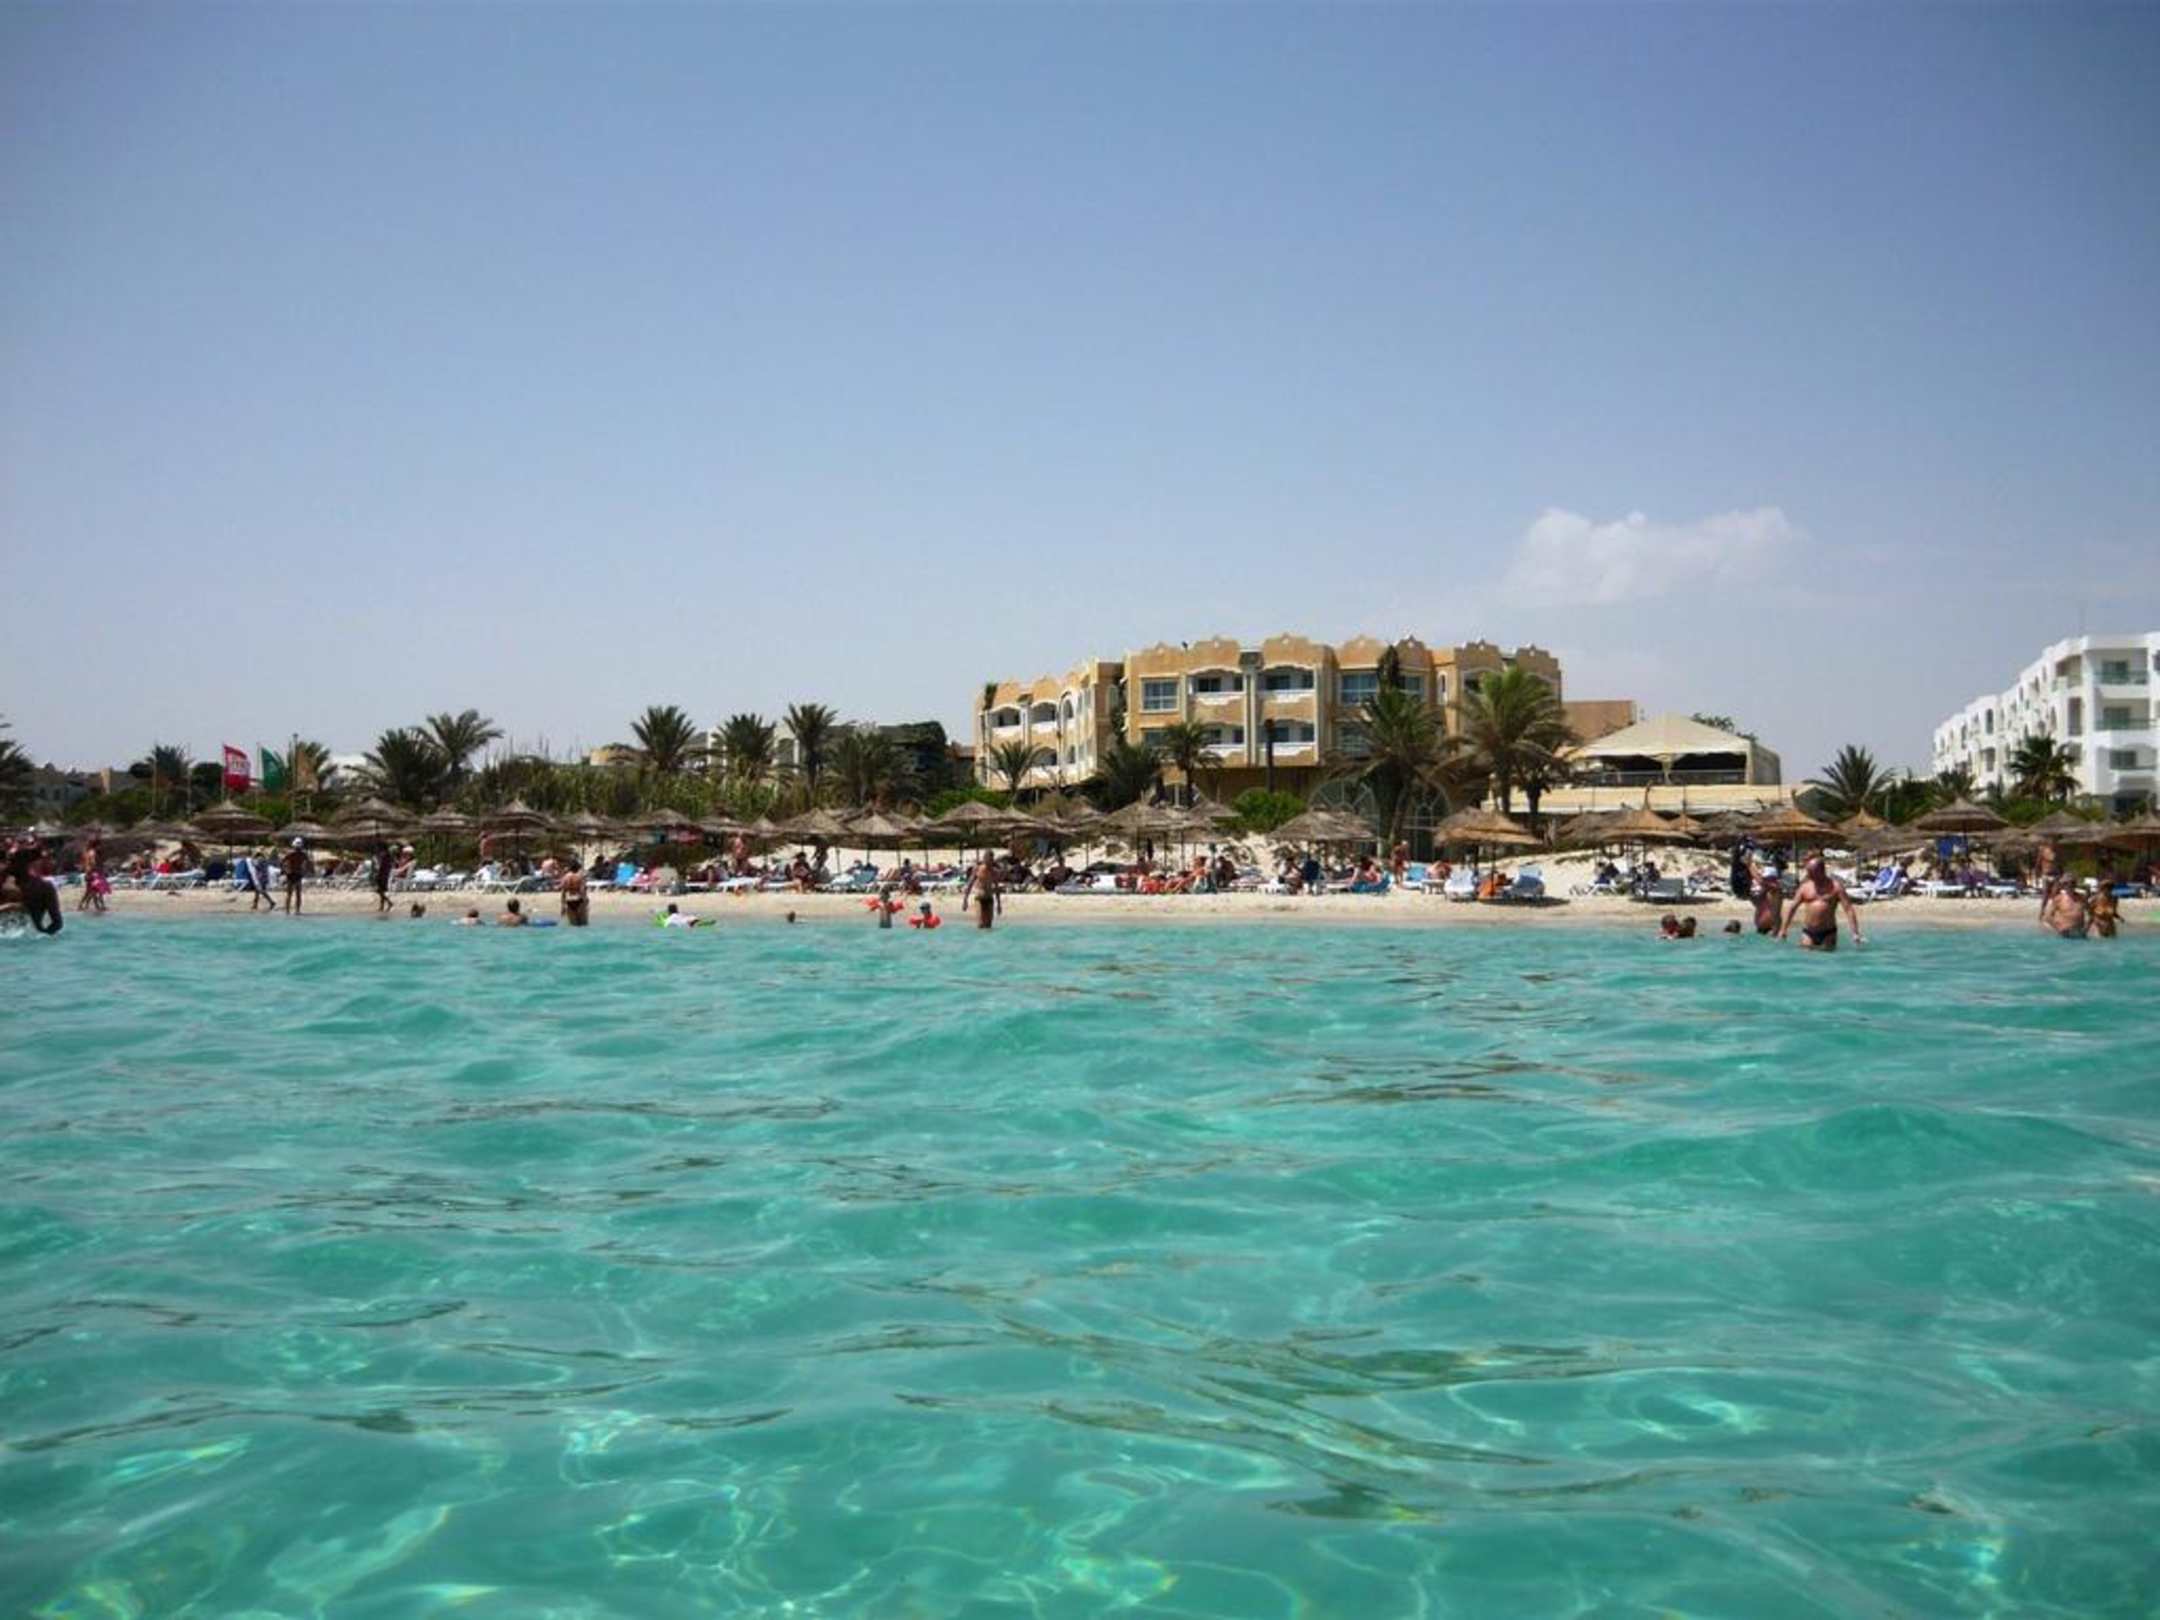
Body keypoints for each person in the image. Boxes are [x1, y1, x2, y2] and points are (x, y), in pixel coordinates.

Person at [1778, 857, 1864, 950]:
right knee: (1805, 955)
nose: (1808, 875)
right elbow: (1792, 908)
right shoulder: (1805, 887)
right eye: (1809, 872)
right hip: (1808, 932)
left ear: (1821, 871)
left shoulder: (1836, 887)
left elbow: (1848, 909)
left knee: (1826, 956)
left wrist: (1855, 933)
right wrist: (1783, 929)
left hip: (1828, 933)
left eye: (1811, 872)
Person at [2, 845, 63, 935]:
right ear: (33, 864)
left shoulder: (4, 885)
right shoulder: (45, 887)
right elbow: (57, 923)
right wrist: (45, 933)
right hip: (33, 935)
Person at [962, 848, 1000, 930]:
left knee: (989, 926)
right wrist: (965, 900)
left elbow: (997, 888)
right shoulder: (977, 869)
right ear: (984, 858)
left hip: (989, 899)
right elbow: (970, 884)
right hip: (979, 898)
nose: (990, 861)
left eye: (991, 859)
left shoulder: (994, 872)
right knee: (980, 925)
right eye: (988, 859)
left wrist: (999, 905)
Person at [1752, 867, 1783, 936]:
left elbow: (1761, 881)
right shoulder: (1764, 889)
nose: (1763, 879)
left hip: (1773, 926)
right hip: (1761, 927)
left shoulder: (1776, 888)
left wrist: (1749, 866)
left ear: (1773, 878)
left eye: (1766, 878)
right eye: (1764, 878)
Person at [281, 839, 307, 915]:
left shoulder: (291, 854)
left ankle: (288, 911)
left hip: (293, 874)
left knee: (291, 894)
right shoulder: (302, 854)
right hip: (295, 874)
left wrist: (284, 871)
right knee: (296, 893)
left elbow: (282, 862)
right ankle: (295, 910)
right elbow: (306, 863)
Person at [372, 841, 394, 914]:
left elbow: (381, 866)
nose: (377, 849)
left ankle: (389, 902)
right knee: (381, 890)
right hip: (384, 874)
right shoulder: (388, 855)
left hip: (382, 874)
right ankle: (382, 906)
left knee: (379, 890)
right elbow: (389, 865)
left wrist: (377, 872)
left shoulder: (384, 855)